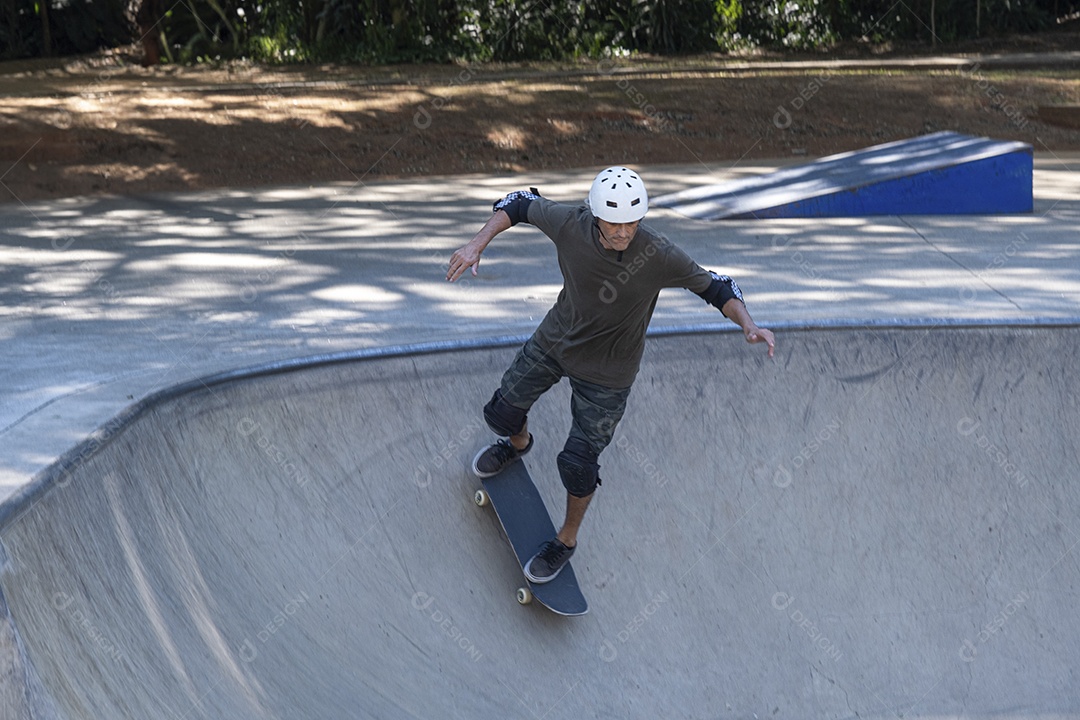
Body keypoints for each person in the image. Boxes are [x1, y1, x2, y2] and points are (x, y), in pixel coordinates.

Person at [446, 166, 774, 584]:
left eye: (632, 223)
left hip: (608, 374)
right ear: (595, 214)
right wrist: (477, 243)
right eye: (615, 223)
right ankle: (519, 443)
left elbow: (718, 287)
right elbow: (521, 202)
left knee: (578, 465)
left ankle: (565, 541)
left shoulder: (659, 254)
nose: (623, 232)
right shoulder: (570, 224)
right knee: (501, 414)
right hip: (555, 342)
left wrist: (747, 323)